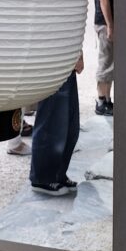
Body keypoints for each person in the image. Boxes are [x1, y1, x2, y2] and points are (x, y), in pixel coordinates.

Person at [30, 53, 83, 196]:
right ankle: (42, 178)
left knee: (69, 124)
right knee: (52, 120)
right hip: (51, 59)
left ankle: (58, 174)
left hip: (66, 54)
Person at [93, 0, 115, 115]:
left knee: (110, 61)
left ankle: (108, 99)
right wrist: (110, 25)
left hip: (109, 23)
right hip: (104, 23)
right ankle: (101, 101)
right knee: (105, 61)